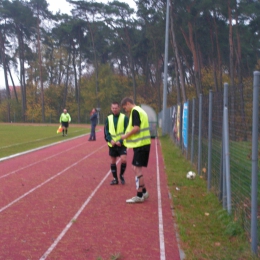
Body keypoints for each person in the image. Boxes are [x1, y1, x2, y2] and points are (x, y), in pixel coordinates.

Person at [120, 97, 151, 203]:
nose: (126, 110)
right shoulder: (141, 110)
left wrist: (126, 136)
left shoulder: (135, 111)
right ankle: (144, 192)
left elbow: (136, 128)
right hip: (143, 143)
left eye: (125, 108)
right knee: (135, 168)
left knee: (137, 170)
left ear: (128, 104)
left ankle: (139, 195)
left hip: (141, 144)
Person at [105, 101, 129, 185]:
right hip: (112, 143)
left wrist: (121, 141)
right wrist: (110, 140)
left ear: (119, 108)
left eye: (116, 108)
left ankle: (121, 175)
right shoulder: (108, 118)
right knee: (113, 161)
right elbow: (106, 131)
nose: (114, 110)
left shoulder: (124, 118)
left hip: (122, 143)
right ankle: (115, 178)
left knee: (123, 159)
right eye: (113, 108)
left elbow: (127, 130)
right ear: (111, 108)